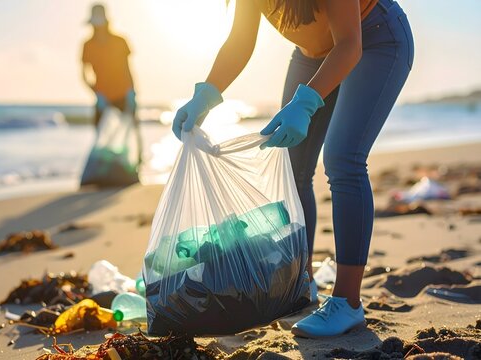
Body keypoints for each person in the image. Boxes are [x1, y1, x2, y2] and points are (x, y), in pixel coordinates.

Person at [172, 0, 413, 338]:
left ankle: (347, 302)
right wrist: (206, 94)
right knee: (294, 166)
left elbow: (348, 44)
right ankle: (304, 284)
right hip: (310, 54)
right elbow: (241, 40)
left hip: (373, 39)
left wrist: (305, 102)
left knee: (343, 158)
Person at [81, 4, 137, 128]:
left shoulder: (120, 41)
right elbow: (84, 75)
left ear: (106, 23)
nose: (98, 28)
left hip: (124, 96)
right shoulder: (88, 45)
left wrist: (131, 92)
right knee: (101, 136)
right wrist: (97, 93)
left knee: (131, 133)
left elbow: (128, 69)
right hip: (103, 98)